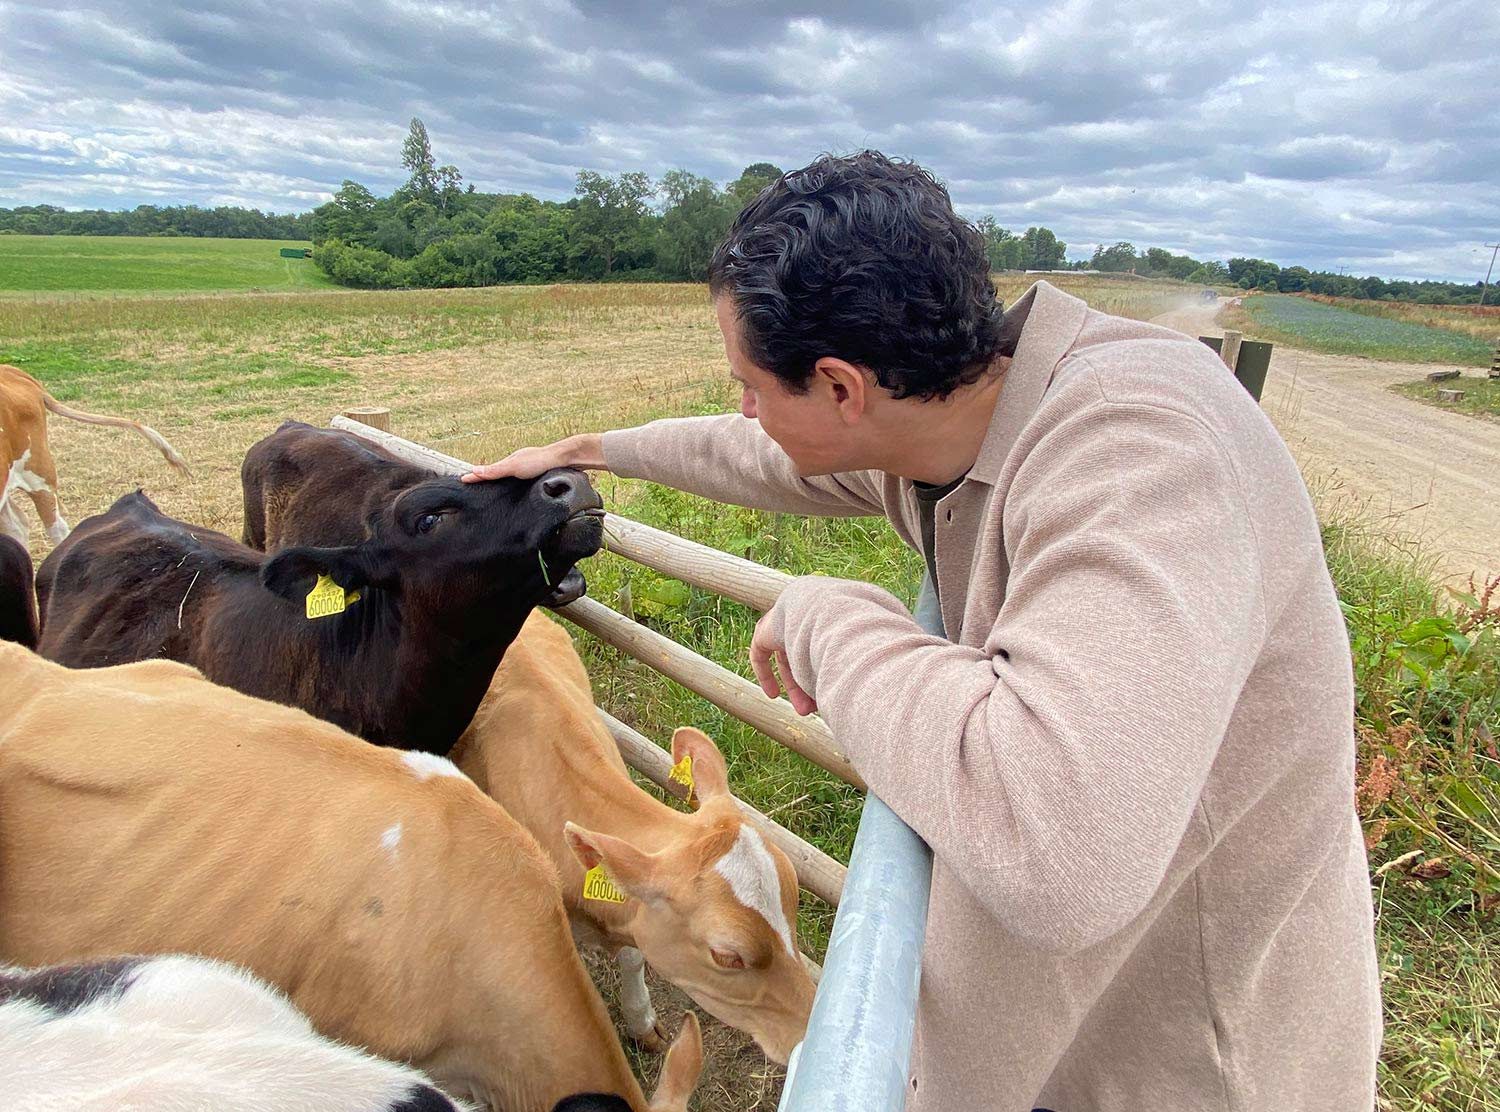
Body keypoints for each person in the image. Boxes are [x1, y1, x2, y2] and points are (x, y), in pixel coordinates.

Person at [465, 151, 1381, 1112]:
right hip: (1085, 1018)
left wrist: (836, 618)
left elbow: (1060, 850)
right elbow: (754, 450)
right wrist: (588, 452)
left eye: (748, 381)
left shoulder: (1136, 448)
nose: (742, 405)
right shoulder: (952, 421)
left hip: (1199, 1049)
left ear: (840, 387)